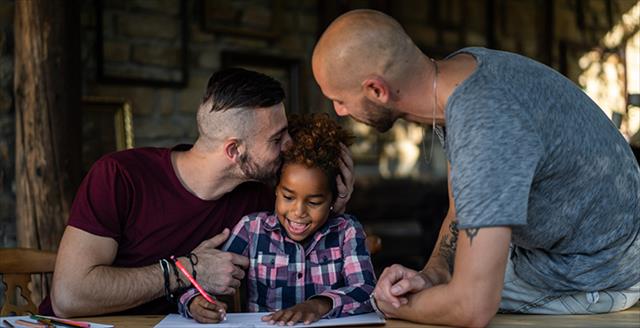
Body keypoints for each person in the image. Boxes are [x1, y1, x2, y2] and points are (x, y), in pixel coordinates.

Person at [311, 9, 640, 327]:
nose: (339, 111)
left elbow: (473, 307)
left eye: (339, 99)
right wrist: (432, 274)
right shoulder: (461, 75)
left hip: (597, 274)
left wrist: (387, 305)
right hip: (568, 251)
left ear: (376, 90)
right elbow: (462, 210)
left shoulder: (484, 122)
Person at [44, 68, 355, 317]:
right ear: (234, 150)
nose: (288, 144)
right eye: (277, 138)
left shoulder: (259, 200)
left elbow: (315, 268)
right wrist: (187, 270)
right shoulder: (120, 176)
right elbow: (69, 297)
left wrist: (332, 208)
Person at [178, 113, 376, 325]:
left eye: (314, 202)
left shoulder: (347, 231)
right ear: (275, 189)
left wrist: (318, 306)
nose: (298, 211)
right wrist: (195, 302)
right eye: (288, 197)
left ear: (334, 196)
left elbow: (365, 290)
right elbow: (201, 282)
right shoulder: (252, 229)